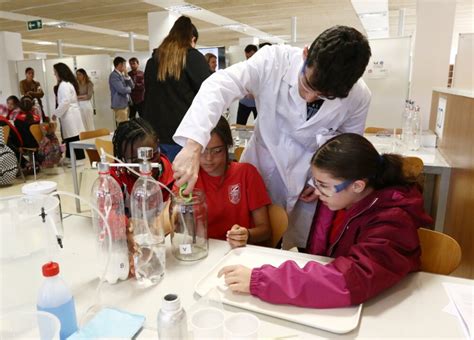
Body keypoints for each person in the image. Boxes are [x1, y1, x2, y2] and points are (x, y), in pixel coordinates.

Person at [173, 25, 372, 249]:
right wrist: (194, 144)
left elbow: (348, 146)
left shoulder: (358, 96)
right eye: (307, 85)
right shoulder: (274, 60)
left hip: (308, 182)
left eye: (324, 96)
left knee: (293, 248)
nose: (310, 98)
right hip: (260, 165)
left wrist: (317, 182)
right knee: (249, 242)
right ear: (305, 54)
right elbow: (220, 85)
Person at [218, 133, 433, 308]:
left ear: (357, 185)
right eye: (315, 182)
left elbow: (351, 279)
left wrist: (261, 280)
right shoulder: (342, 201)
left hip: (388, 308)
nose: (317, 192)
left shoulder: (392, 219)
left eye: (323, 185)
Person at [187, 116, 271, 248]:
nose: (209, 158)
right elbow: (172, 220)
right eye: (203, 150)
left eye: (217, 151)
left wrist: (246, 235)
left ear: (228, 147)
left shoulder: (246, 173)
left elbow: (265, 230)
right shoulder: (189, 177)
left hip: (238, 252)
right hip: (202, 250)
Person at [143, 15, 210, 162]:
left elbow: (148, 97)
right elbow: (209, 94)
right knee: (183, 182)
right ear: (192, 38)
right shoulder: (192, 58)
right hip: (183, 135)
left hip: (155, 135)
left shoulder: (152, 61)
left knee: (162, 180)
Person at [111, 117, 175, 211]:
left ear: (158, 146)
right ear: (122, 159)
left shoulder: (175, 177)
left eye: (152, 156)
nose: (147, 166)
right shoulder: (116, 176)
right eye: (135, 161)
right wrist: (129, 223)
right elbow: (107, 214)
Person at [51, 63, 86, 166]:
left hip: (70, 114)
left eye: (55, 72)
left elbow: (65, 102)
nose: (54, 74)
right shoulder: (67, 84)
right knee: (70, 137)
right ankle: (69, 157)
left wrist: (55, 114)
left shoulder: (64, 85)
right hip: (70, 114)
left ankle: (80, 158)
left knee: (73, 137)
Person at [236, 44, 258, 125]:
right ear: (245, 54)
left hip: (257, 103)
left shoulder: (260, 68)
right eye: (249, 56)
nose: (250, 58)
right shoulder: (242, 67)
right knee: (240, 125)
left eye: (252, 56)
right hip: (244, 102)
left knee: (260, 126)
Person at [109, 56, 134, 125]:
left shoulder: (122, 75)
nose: (126, 67)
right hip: (120, 104)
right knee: (123, 125)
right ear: (120, 65)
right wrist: (129, 89)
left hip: (125, 103)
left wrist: (127, 75)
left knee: (126, 123)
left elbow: (132, 86)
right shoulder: (114, 75)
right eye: (124, 65)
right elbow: (122, 90)